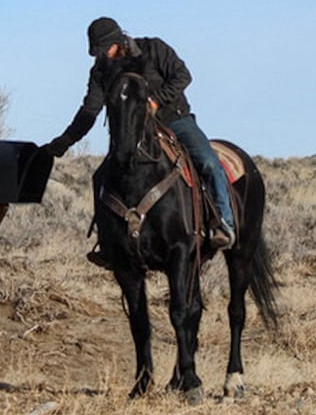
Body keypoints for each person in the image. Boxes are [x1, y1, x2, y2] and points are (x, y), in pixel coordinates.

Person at [44, 17, 236, 252]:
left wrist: (156, 101)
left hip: (174, 120)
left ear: (118, 42)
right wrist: (64, 142)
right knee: (99, 177)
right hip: (132, 134)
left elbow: (183, 76)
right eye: (98, 53)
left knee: (207, 161)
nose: (102, 56)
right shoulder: (100, 72)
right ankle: (107, 243)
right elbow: (90, 110)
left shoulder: (154, 49)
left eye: (105, 50)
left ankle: (223, 223)